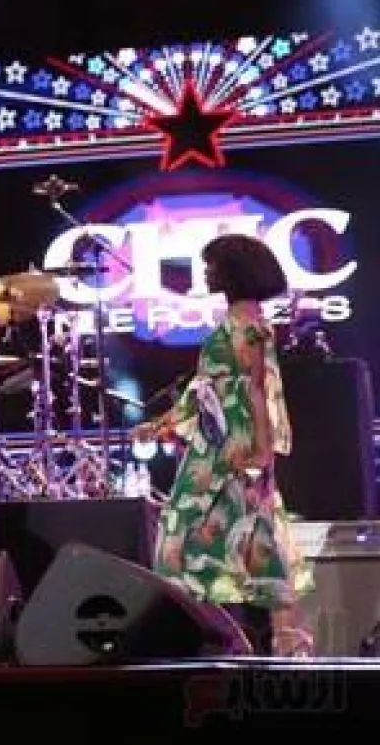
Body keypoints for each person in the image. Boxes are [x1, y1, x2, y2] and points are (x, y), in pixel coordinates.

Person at [132, 233, 314, 656]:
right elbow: (207, 387)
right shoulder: (237, 319)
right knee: (247, 538)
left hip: (234, 448)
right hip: (216, 444)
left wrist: (261, 451)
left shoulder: (247, 324)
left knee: (191, 539)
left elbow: (257, 389)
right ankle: (271, 640)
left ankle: (272, 640)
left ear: (234, 271)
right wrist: (163, 424)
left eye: (211, 266)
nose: (205, 273)